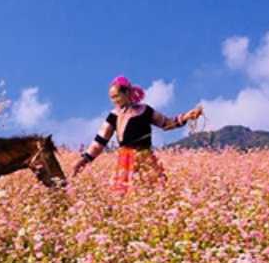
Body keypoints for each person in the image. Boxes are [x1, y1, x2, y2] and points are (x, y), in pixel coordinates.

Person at [71, 76, 202, 190]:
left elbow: (166, 123)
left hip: (145, 158)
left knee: (153, 194)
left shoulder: (145, 110)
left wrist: (186, 116)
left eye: (116, 96)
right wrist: (84, 161)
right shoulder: (114, 116)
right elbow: (99, 142)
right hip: (125, 160)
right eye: (111, 98)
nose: (114, 100)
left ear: (127, 92)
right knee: (125, 198)